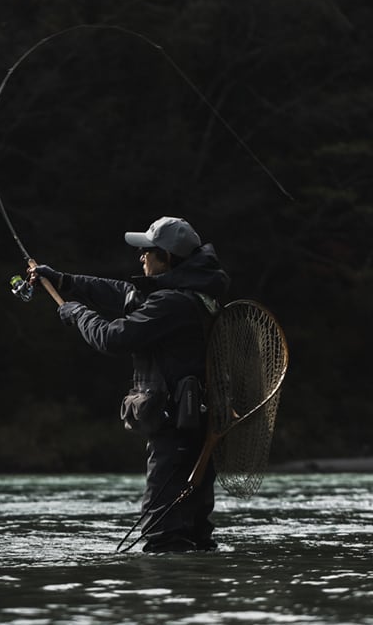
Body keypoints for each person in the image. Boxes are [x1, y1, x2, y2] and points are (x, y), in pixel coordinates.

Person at [30, 216, 230, 552]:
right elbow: (126, 293)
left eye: (147, 251)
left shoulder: (171, 304)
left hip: (176, 430)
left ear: (166, 258)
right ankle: (198, 595)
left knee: (163, 536)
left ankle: (169, 597)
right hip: (198, 425)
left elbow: (112, 338)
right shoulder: (196, 294)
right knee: (194, 530)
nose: (141, 257)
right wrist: (65, 281)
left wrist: (76, 313)